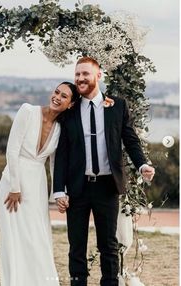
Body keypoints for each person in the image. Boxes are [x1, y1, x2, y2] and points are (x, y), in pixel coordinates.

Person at [53, 57, 155, 286]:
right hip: (77, 186)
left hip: (107, 186)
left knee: (108, 245)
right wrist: (59, 190)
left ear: (98, 75)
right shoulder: (69, 110)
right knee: (76, 246)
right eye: (77, 74)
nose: (80, 78)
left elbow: (130, 140)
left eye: (85, 74)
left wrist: (142, 165)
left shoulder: (117, 106)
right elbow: (62, 154)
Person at [0, 82, 80, 286]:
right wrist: (15, 188)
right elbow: (12, 150)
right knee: (12, 239)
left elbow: (54, 164)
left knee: (37, 237)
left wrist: (58, 194)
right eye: (56, 92)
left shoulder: (61, 129)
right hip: (12, 184)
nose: (57, 97)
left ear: (70, 104)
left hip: (37, 185)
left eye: (64, 96)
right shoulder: (28, 111)